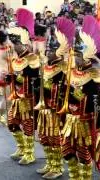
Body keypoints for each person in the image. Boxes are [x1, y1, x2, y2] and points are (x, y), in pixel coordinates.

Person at [60, 15, 100, 180]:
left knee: (84, 154)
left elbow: (92, 99)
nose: (74, 57)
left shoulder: (94, 74)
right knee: (68, 151)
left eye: (77, 55)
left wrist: (77, 93)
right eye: (74, 54)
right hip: (70, 118)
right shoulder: (70, 72)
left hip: (85, 121)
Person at [35, 19, 70, 179]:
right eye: (47, 48)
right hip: (44, 109)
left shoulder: (64, 68)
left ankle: (57, 168)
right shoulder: (46, 64)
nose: (47, 51)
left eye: (50, 49)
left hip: (55, 110)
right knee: (44, 138)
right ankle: (49, 163)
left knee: (55, 139)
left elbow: (66, 91)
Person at [7, 8, 38, 165]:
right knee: (12, 122)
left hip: (27, 98)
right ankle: (21, 148)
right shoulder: (16, 57)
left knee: (27, 125)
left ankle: (29, 153)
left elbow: (31, 78)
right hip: (17, 96)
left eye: (16, 44)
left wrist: (16, 77)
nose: (14, 46)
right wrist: (10, 78)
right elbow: (17, 77)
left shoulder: (32, 58)